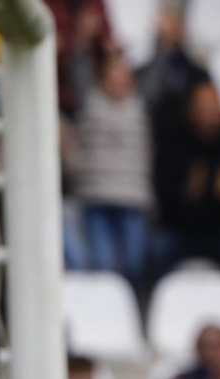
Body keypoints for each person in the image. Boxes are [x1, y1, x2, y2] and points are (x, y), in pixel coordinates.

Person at [149, 81, 220, 295]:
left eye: (213, 105)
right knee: (155, 251)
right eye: (202, 105)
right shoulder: (173, 142)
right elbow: (163, 195)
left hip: (219, 230)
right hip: (178, 230)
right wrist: (190, 193)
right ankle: (154, 310)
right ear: (190, 109)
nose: (207, 112)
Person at [71, 52, 153, 289]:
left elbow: (158, 75)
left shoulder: (142, 105)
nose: (118, 81)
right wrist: (84, 44)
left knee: (134, 264)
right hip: (97, 198)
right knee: (102, 265)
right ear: (102, 79)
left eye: (123, 76)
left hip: (133, 200)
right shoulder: (90, 102)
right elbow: (79, 73)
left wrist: (163, 43)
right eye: (113, 75)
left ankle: (127, 314)